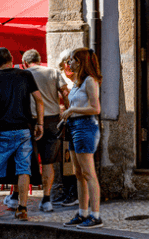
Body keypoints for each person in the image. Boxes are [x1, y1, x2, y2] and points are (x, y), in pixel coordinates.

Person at [0, 47, 43, 221]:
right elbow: (39, 100)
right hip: (24, 129)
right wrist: (40, 123)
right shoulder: (25, 75)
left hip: (3, 129)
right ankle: (22, 209)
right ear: (12, 58)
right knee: (24, 169)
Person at [60, 47, 103, 228]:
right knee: (78, 173)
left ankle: (95, 215)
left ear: (80, 61)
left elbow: (96, 108)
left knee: (88, 173)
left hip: (86, 126)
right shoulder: (78, 82)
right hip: (74, 126)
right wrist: (67, 114)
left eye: (72, 60)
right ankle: (82, 212)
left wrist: (72, 109)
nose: (69, 62)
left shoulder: (89, 82)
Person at [23, 49, 68, 213]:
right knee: (49, 162)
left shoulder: (24, 74)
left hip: (30, 121)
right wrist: (68, 111)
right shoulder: (53, 72)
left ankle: (19, 199)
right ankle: (47, 199)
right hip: (52, 120)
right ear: (39, 59)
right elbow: (65, 92)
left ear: (25, 63)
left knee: (25, 159)